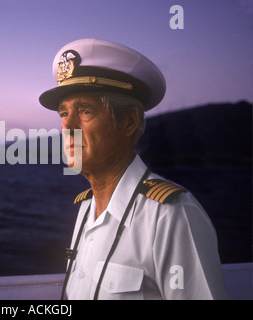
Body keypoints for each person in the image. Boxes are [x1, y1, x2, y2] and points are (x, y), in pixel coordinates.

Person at [39, 38, 230, 300]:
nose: (67, 127)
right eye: (63, 114)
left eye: (84, 111)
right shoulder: (86, 209)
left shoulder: (171, 216)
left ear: (128, 121)